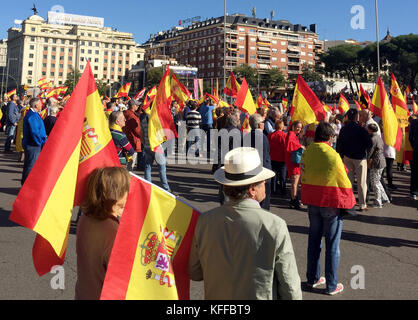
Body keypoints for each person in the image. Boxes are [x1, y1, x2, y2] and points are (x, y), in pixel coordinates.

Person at [188, 147, 302, 300]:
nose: (266, 185)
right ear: (253, 189)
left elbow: (195, 272)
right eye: (264, 182)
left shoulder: (205, 221)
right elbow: (290, 285)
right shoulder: (275, 225)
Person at [301, 122, 356, 296]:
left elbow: (303, 172)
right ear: (330, 137)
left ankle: (313, 278)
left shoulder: (308, 151)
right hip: (330, 202)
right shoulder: (332, 154)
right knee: (332, 245)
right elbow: (344, 179)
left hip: (312, 200)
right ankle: (332, 285)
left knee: (314, 240)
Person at [75, 166, 131, 300]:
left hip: (83, 293)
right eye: (127, 190)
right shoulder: (112, 230)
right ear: (117, 195)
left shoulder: (85, 218)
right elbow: (124, 277)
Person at [336, 109, 372, 212]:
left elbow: (340, 144)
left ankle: (349, 203)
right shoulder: (361, 129)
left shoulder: (344, 129)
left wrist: (342, 156)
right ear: (357, 117)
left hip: (347, 157)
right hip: (360, 158)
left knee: (348, 181)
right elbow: (369, 144)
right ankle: (362, 204)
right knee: (361, 182)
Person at [140, 110, 171, 192]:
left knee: (148, 167)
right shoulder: (156, 121)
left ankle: (148, 186)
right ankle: (165, 188)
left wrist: (144, 144)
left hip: (147, 146)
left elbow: (141, 135)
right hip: (157, 147)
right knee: (161, 168)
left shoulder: (143, 121)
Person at [248, 113, 272, 210]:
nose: (264, 124)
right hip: (261, 172)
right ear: (259, 125)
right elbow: (263, 157)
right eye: (263, 122)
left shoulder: (247, 136)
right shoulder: (262, 137)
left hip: (251, 171)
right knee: (263, 201)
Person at [21, 97, 47, 185]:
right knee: (31, 166)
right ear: (36, 105)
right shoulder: (33, 115)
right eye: (40, 103)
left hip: (32, 144)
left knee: (29, 165)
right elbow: (35, 132)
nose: (41, 105)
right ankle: (26, 186)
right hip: (33, 145)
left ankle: (25, 185)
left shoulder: (32, 114)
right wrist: (40, 143)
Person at [366, 123, 389, 208]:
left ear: (371, 130)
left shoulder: (373, 139)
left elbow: (370, 152)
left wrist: (366, 159)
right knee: (377, 181)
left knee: (374, 183)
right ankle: (384, 198)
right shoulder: (378, 137)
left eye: (367, 129)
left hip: (376, 162)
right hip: (381, 161)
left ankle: (378, 202)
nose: (366, 130)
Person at [285, 120, 305, 209]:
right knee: (295, 181)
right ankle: (294, 200)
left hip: (294, 161)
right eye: (298, 127)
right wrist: (300, 146)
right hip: (293, 161)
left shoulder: (293, 135)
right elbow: (289, 145)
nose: (299, 129)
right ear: (293, 126)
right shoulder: (291, 134)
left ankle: (294, 199)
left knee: (295, 181)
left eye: (300, 128)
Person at [268, 119, 287, 195]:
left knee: (273, 176)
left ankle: (273, 190)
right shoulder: (284, 136)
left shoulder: (270, 136)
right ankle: (283, 190)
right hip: (282, 158)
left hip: (273, 158)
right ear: (282, 127)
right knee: (282, 176)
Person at [122, 99, 142, 171]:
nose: (138, 106)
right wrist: (144, 137)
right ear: (133, 106)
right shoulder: (132, 116)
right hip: (133, 141)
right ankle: (128, 180)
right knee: (130, 165)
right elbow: (137, 130)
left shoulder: (124, 113)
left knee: (125, 163)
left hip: (125, 140)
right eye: (137, 105)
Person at [409, 115, 418, 200]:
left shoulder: (414, 122)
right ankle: (414, 192)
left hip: (416, 150)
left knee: (415, 171)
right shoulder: (414, 123)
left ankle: (414, 192)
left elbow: (410, 138)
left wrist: (414, 146)